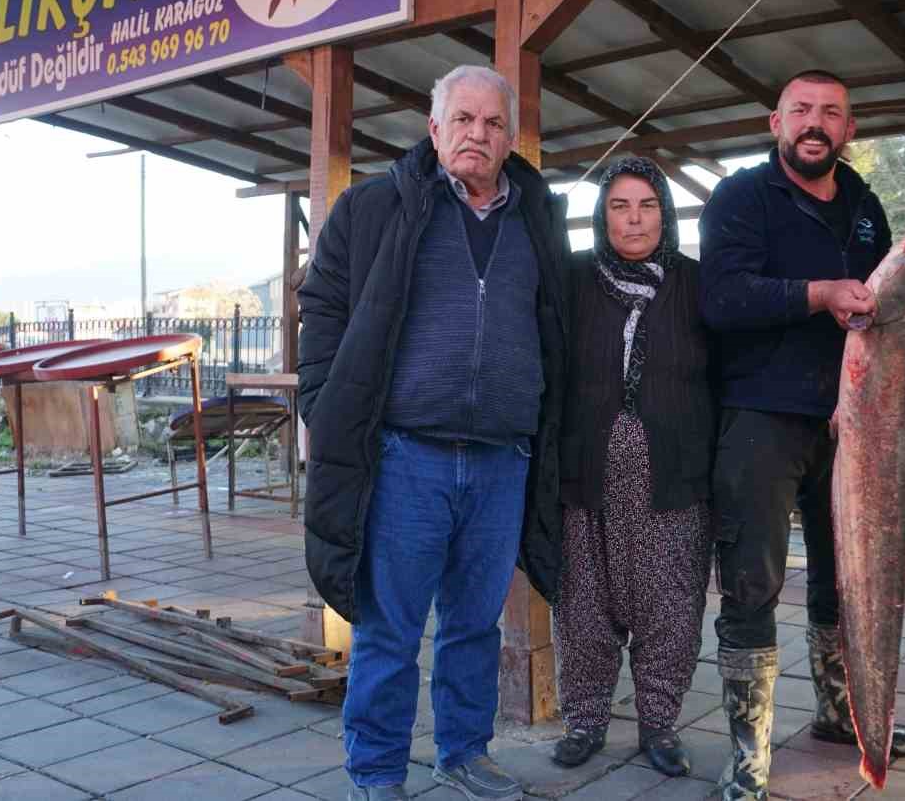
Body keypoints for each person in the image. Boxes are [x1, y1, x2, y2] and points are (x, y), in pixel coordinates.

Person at [297, 64, 570, 801]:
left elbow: (558, 325)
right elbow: (321, 304)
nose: (477, 135)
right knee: (389, 628)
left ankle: (464, 751)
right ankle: (378, 771)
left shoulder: (536, 219)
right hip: (405, 455)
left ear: (511, 138)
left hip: (501, 460)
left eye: (492, 124)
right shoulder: (377, 207)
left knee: (475, 626)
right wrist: (322, 403)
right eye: (463, 120)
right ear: (434, 128)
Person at [699, 69, 905, 801]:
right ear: (776, 123)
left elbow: (888, 307)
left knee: (848, 577)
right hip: (760, 418)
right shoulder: (740, 198)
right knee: (752, 581)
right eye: (801, 110)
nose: (815, 123)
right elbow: (723, 298)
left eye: (831, 112)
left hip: (851, 425)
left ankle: (839, 711)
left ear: (849, 129)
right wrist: (817, 294)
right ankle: (748, 752)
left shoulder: (864, 205)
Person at [548, 156, 714, 778]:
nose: (634, 218)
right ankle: (585, 721)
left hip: (672, 476)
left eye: (646, 205)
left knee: (669, 607)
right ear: (601, 216)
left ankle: (659, 725)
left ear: (665, 214)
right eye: (619, 205)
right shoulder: (571, 281)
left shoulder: (696, 285)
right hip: (587, 474)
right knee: (585, 606)